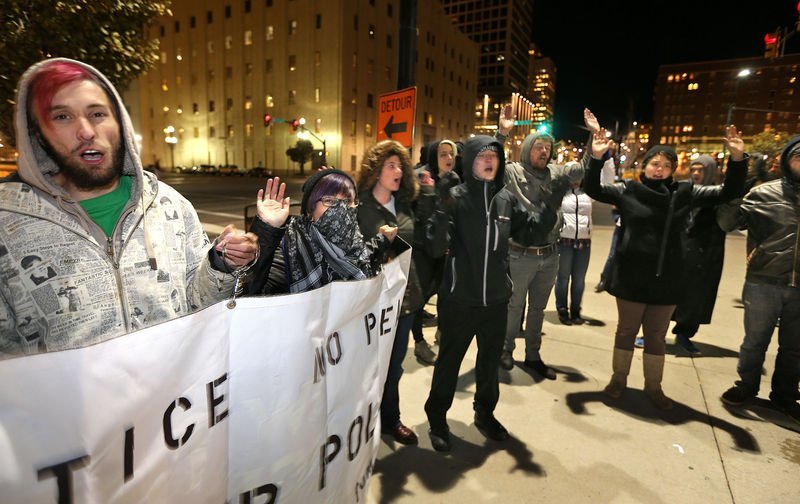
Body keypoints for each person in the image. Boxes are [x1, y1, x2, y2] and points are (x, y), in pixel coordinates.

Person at [0, 58, 258, 357]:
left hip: (172, 385)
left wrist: (221, 264)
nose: (86, 130)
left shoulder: (170, 204)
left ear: (119, 124)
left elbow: (199, 304)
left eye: (97, 113)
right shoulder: (6, 222)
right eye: (62, 116)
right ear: (38, 135)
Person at [584, 125, 747, 410]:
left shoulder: (684, 192)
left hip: (668, 278)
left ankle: (653, 387)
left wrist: (737, 159)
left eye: (666, 166)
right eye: (654, 164)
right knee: (626, 331)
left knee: (657, 335)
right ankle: (618, 379)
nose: (659, 170)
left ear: (673, 170)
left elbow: (728, 192)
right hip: (632, 276)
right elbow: (593, 189)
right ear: (645, 166)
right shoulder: (629, 190)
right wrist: (596, 158)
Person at [423, 134, 552, 452]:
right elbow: (435, 247)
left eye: (494, 156)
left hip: (495, 300)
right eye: (482, 156)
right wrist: (440, 205)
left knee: (489, 363)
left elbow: (531, 231)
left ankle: (485, 413)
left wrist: (549, 207)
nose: (489, 161)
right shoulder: (455, 197)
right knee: (449, 363)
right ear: (469, 161)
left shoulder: (506, 199)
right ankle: (437, 419)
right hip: (460, 300)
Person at [496, 108, 591, 378]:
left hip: (549, 255)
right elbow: (492, 164)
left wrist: (592, 138)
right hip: (519, 254)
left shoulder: (556, 173)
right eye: (539, 146)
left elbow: (581, 168)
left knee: (538, 309)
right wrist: (502, 133)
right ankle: (505, 350)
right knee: (514, 306)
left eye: (547, 148)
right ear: (528, 149)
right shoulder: (513, 172)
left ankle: (533, 356)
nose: (544, 152)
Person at [717, 136, 800, 424]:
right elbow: (728, 222)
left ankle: (785, 396)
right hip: (763, 280)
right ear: (787, 160)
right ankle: (746, 386)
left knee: (795, 347)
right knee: (755, 341)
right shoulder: (764, 193)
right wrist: (736, 182)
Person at [357, 140, 430, 445]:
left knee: (395, 365)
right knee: (367, 366)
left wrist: (430, 194)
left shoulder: (404, 206)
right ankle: (362, 423)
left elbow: (424, 245)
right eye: (390, 165)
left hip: (404, 300)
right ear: (376, 171)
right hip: (371, 303)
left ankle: (391, 420)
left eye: (400, 166)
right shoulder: (359, 209)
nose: (398, 171)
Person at [245, 170, 396, 295]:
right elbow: (249, 292)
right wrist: (267, 230)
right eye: (329, 201)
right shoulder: (290, 248)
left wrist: (382, 240)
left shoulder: (353, 241)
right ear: (310, 210)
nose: (341, 209)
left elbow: (361, 258)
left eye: (348, 201)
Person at [670, 155, 726, 356]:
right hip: (679, 250)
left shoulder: (719, 195)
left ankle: (684, 334)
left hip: (704, 253)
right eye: (693, 169)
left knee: (695, 296)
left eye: (700, 170)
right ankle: (654, 332)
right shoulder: (684, 190)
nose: (695, 173)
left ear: (709, 172)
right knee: (667, 292)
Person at [410, 139, 459, 365]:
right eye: (443, 154)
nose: (449, 158)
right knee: (419, 298)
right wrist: (429, 192)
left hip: (446, 249)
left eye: (451, 154)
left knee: (445, 295)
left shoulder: (455, 179)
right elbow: (420, 217)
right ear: (433, 156)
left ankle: (442, 332)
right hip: (423, 249)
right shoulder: (420, 177)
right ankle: (419, 341)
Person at [554, 163, 593, 325]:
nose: (576, 180)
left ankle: (576, 310)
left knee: (579, 279)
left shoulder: (588, 193)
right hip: (564, 240)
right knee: (562, 277)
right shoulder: (559, 193)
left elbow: (606, 179)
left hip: (584, 241)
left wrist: (606, 159)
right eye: (572, 176)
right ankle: (562, 308)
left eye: (579, 176)